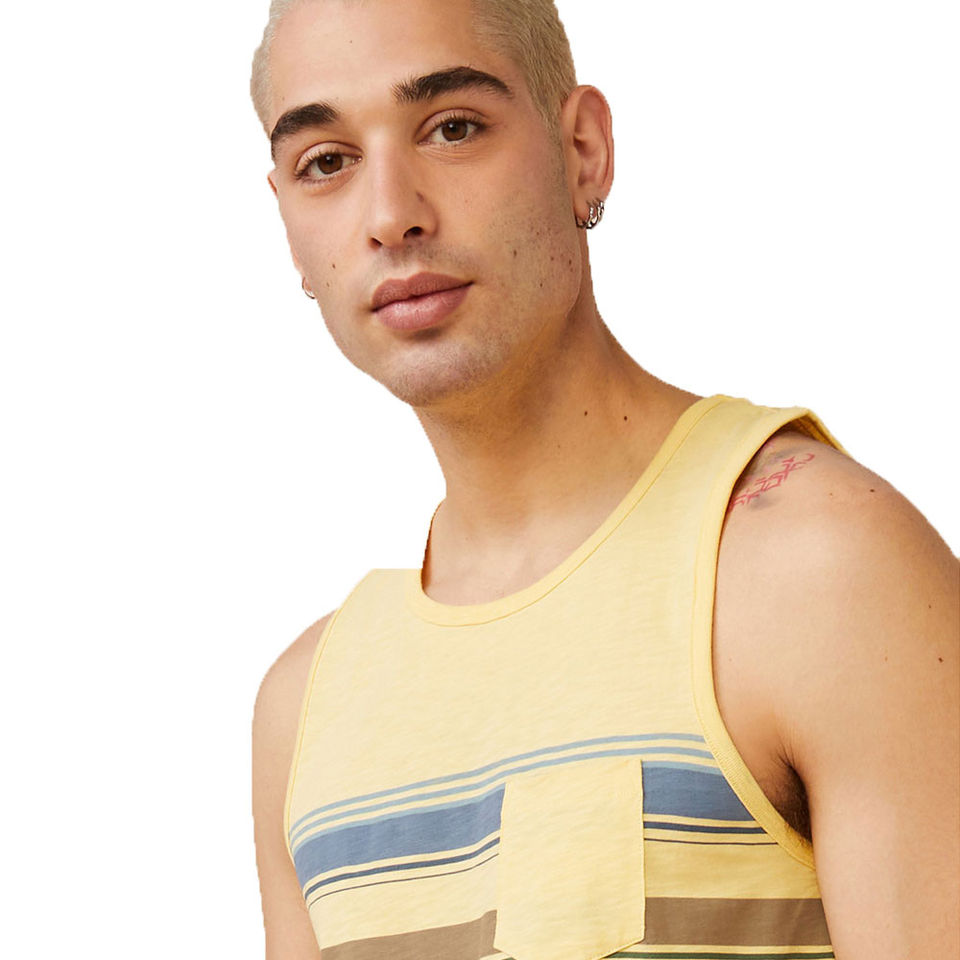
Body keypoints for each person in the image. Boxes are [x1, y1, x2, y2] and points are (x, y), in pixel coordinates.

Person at [248, 1, 959, 958]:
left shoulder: (817, 572)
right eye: (326, 161)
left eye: (452, 128)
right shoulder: (303, 712)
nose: (390, 215)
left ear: (582, 151)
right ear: (288, 224)